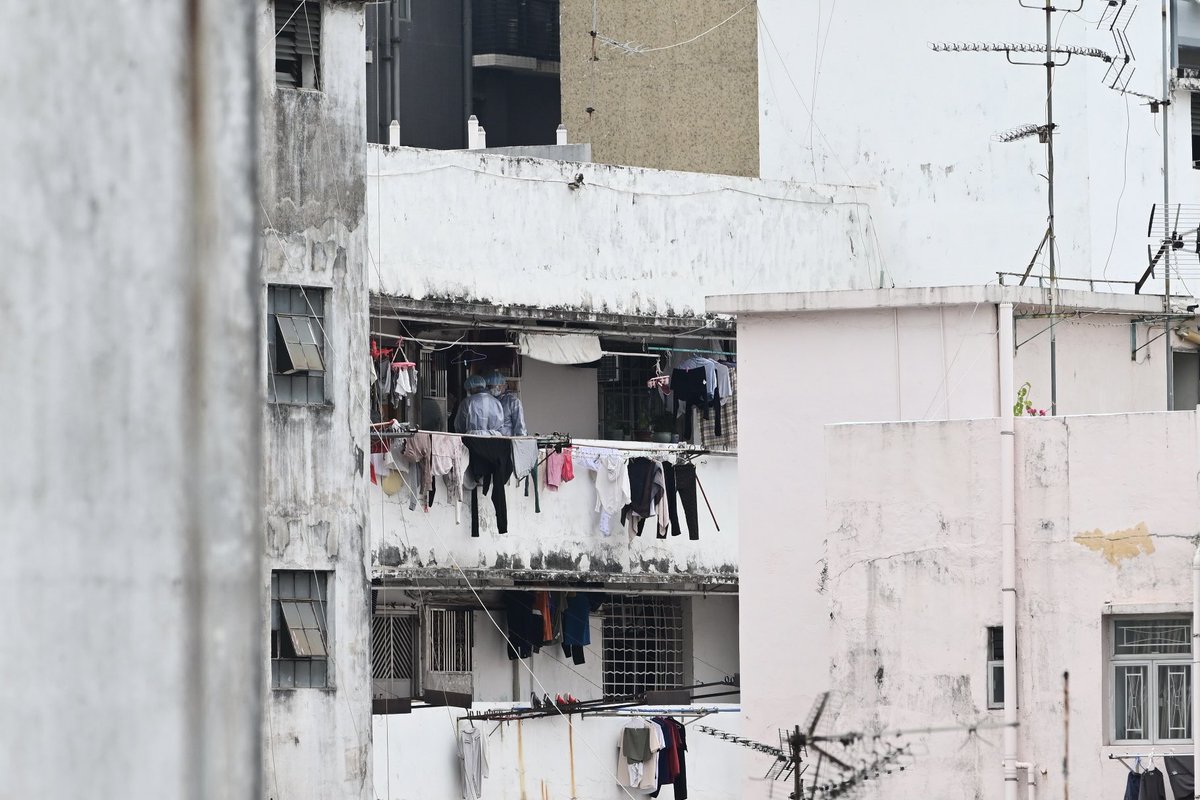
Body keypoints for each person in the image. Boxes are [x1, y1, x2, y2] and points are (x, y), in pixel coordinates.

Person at [486, 370, 527, 436]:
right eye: (490, 387)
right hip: (490, 439)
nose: (492, 389)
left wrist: (521, 441)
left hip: (507, 439)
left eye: (497, 386)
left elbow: (520, 427)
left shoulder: (513, 402)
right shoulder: (487, 401)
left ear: (504, 386)